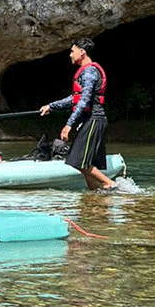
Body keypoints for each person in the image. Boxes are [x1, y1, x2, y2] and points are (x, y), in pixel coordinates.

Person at [39, 37, 117, 191]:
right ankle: (93, 195)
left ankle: (109, 184)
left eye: (72, 51)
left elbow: (85, 100)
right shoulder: (86, 72)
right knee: (83, 164)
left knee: (78, 161)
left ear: (82, 52)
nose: (70, 55)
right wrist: (51, 106)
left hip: (94, 119)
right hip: (91, 120)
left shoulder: (89, 72)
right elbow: (74, 98)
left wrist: (69, 125)